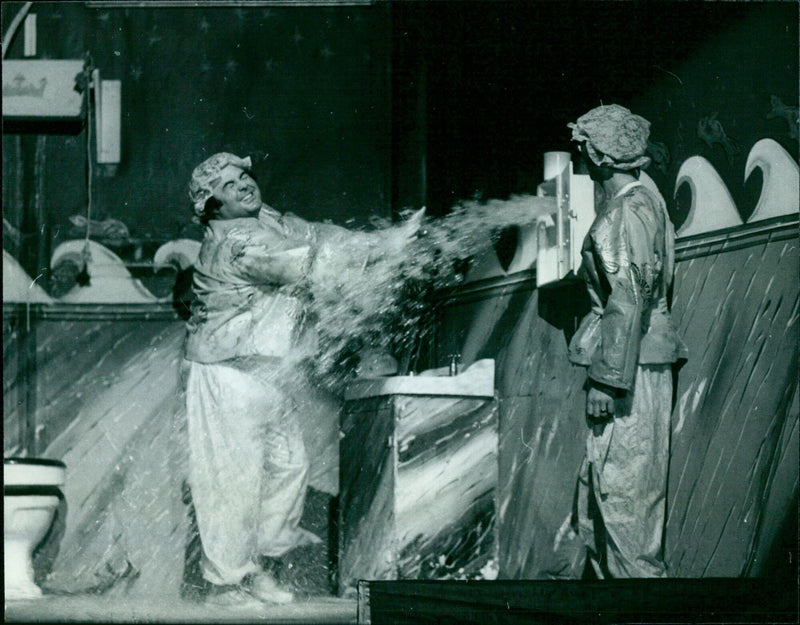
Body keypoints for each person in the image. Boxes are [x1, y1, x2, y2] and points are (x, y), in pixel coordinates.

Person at [184, 152, 422, 606]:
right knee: (231, 481)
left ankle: (257, 568)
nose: (244, 186)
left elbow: (316, 234)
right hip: (227, 372)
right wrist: (381, 251)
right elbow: (309, 260)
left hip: (267, 370)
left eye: (244, 176)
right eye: (229, 186)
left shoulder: (264, 218)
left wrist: (378, 243)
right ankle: (223, 583)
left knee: (289, 469)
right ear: (213, 207)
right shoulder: (235, 243)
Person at [566, 105, 688, 578]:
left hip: (629, 370)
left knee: (622, 503)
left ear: (598, 155)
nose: (579, 156)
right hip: (639, 361)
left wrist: (607, 381)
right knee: (604, 499)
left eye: (583, 148)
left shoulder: (625, 212)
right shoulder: (645, 199)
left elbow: (627, 300)